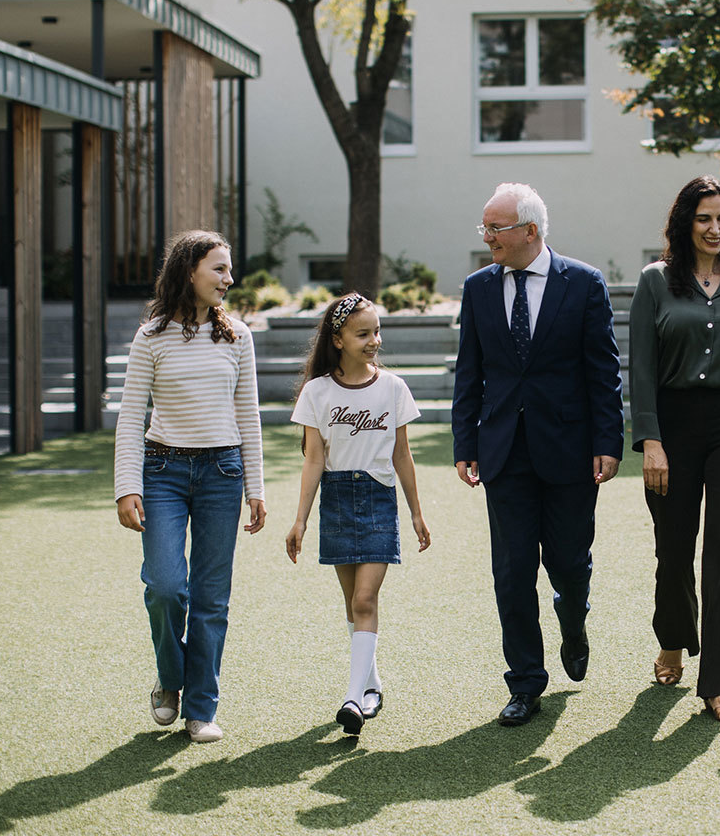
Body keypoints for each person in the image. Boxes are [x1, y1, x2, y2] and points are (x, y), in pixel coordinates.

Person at [452, 182, 624, 727]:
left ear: (530, 231)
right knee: (512, 571)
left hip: (570, 451)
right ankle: (525, 681)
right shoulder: (478, 288)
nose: (487, 237)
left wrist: (608, 442)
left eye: (495, 228)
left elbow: (604, 372)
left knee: (569, 565)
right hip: (503, 453)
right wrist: (464, 443)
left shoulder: (585, 284)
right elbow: (469, 372)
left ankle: (574, 623)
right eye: (484, 227)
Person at [114, 230, 267, 744]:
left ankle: (200, 708)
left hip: (223, 474)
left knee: (211, 599)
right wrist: (125, 486)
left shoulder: (237, 337)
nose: (229, 279)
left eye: (228, 270)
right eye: (219, 269)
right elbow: (132, 415)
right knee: (164, 587)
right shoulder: (151, 336)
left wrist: (256, 488)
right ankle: (171, 677)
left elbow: (248, 415)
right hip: (162, 474)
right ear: (189, 272)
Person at [630, 175, 720, 724]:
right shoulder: (655, 282)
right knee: (673, 551)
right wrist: (652, 441)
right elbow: (641, 368)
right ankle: (673, 637)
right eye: (704, 218)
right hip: (675, 426)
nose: (715, 229)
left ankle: (718, 682)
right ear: (685, 223)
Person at [285, 293, 430, 736]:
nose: (374, 341)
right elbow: (313, 459)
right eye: (363, 334)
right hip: (337, 499)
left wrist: (417, 514)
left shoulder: (392, 387)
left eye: (376, 332)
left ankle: (352, 698)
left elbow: (402, 454)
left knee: (366, 600)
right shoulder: (317, 391)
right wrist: (300, 519)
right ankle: (371, 685)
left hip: (379, 498)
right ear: (339, 339)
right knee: (353, 605)